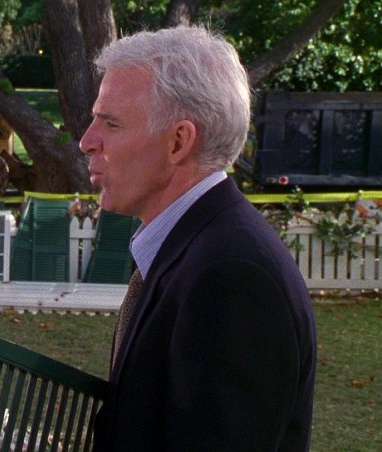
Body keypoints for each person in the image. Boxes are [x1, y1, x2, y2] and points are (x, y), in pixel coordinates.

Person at [79, 27, 316, 451]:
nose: (86, 142)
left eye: (110, 123)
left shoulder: (231, 276)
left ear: (179, 142)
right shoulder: (196, 247)